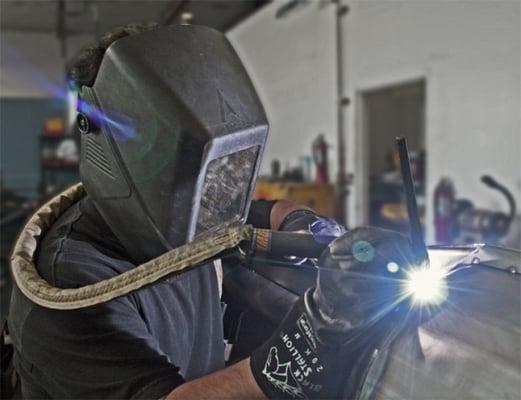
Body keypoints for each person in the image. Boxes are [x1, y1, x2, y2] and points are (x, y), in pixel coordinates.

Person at [8, 24, 414, 399]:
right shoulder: (70, 287)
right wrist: (304, 344)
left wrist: (306, 224)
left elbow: (263, 213)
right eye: (182, 170)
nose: (213, 198)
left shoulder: (185, 214)